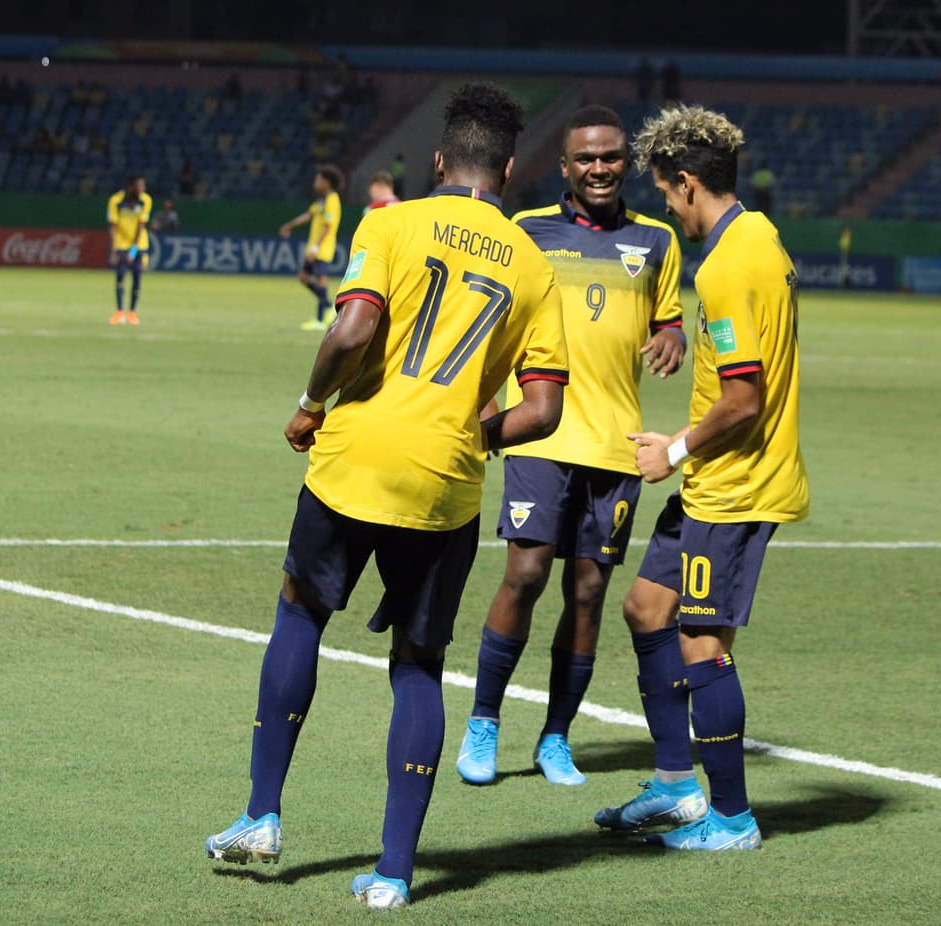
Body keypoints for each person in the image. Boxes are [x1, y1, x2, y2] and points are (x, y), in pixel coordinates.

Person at [204, 82, 569, 910]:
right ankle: (397, 874)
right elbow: (543, 409)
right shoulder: (531, 264)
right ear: (508, 171)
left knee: (300, 612)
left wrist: (309, 406)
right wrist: (477, 435)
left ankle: (262, 815)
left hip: (355, 459)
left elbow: (355, 326)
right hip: (445, 483)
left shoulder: (392, 221)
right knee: (418, 664)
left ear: (440, 161)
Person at [594, 104, 809, 851]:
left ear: (687, 184)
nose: (665, 206)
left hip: (733, 484)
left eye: (664, 192)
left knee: (702, 646)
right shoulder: (758, 237)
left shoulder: (727, 265)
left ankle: (733, 818)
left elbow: (743, 398)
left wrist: (675, 451)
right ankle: (677, 784)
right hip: (713, 480)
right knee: (647, 609)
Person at [455, 104, 685, 789]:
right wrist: (489, 411)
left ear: (628, 162)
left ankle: (556, 737)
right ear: (564, 167)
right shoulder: (525, 232)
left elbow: (667, 320)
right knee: (524, 576)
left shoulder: (658, 243)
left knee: (587, 594)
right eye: (585, 158)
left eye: (611, 156)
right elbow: (491, 319)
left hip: (616, 446)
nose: (599, 168)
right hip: (541, 432)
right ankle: (484, 722)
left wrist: (673, 334)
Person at [280, 164, 344, 332]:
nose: (315, 181)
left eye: (319, 178)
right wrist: (289, 225)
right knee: (303, 277)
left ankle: (321, 319)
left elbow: (328, 226)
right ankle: (329, 306)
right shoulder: (322, 200)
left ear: (327, 182)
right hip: (314, 248)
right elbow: (309, 215)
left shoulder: (332, 200)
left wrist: (316, 248)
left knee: (321, 280)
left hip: (322, 248)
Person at [106, 174, 152, 325]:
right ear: (131, 186)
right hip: (121, 244)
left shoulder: (145, 200)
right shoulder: (116, 200)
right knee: (120, 276)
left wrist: (132, 251)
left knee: (137, 277)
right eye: (140, 186)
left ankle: (132, 312)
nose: (143, 189)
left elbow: (141, 226)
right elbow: (113, 226)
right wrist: (113, 249)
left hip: (139, 245)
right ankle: (119, 312)